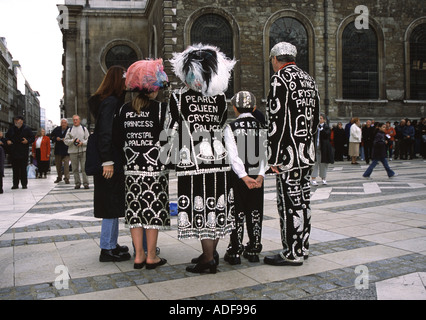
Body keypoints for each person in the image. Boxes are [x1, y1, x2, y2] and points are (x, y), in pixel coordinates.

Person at [168, 43, 236, 273]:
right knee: (215, 209)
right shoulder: (220, 99)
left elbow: (171, 129)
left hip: (193, 163)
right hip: (219, 161)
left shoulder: (178, 98)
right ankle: (210, 253)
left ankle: (208, 259)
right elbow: (222, 125)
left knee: (202, 211)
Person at [264, 42, 320, 266]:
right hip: (306, 153)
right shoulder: (309, 80)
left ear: (276, 59)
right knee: (304, 201)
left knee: (289, 204)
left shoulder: (280, 79)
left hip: (288, 156)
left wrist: (274, 158)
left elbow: (276, 122)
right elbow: (315, 120)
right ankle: (303, 246)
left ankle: (292, 253)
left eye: (271, 61)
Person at [117, 59, 170, 269]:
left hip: (131, 170)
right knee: (152, 211)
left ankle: (138, 256)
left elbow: (118, 139)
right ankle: (151, 256)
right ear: (154, 88)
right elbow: (167, 138)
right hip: (154, 169)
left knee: (135, 213)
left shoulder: (123, 110)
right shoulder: (160, 109)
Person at [88, 65, 131, 263]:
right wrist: (107, 160)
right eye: (125, 78)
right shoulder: (111, 102)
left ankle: (111, 244)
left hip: (110, 156)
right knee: (110, 203)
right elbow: (105, 132)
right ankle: (106, 248)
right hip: (109, 158)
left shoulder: (107, 101)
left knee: (112, 202)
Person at [223, 91, 267, 265]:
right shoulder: (261, 126)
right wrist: (260, 175)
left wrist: (243, 176)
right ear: (254, 107)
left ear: (234, 108)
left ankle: (235, 250)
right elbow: (265, 153)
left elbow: (233, 156)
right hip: (257, 176)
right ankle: (254, 249)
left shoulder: (230, 127)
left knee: (237, 212)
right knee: (255, 211)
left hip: (238, 178)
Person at [5, 116, 35, 189]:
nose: (16, 122)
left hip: (23, 151)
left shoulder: (26, 129)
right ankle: (15, 184)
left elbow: (32, 138)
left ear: (21, 121)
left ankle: (24, 184)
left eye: (17, 120)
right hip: (14, 151)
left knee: (23, 169)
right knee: (15, 169)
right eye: (15, 120)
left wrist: (27, 141)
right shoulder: (11, 129)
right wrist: (7, 141)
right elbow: (7, 137)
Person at [64, 114, 90, 189]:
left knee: (84, 168)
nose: (75, 121)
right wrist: (73, 141)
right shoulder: (70, 129)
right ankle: (77, 183)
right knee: (75, 169)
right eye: (74, 120)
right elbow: (66, 141)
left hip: (83, 151)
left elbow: (88, 140)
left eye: (76, 119)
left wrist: (82, 143)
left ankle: (86, 183)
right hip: (73, 152)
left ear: (79, 120)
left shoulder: (84, 129)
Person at [311, 114, 334, 186]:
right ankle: (313, 179)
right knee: (314, 164)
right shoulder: (314, 127)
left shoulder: (326, 127)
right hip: (315, 148)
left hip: (323, 149)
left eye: (321, 118)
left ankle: (323, 178)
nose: (319, 120)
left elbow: (327, 135)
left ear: (324, 120)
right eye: (319, 118)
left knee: (323, 164)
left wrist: (322, 130)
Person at [51, 119, 70, 183]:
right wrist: (56, 138)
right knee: (58, 165)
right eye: (62, 123)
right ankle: (59, 177)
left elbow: (73, 138)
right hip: (58, 149)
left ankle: (66, 178)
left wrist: (66, 139)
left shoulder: (69, 130)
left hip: (66, 150)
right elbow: (51, 136)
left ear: (67, 124)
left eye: (65, 123)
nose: (63, 124)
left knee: (66, 165)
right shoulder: (57, 129)